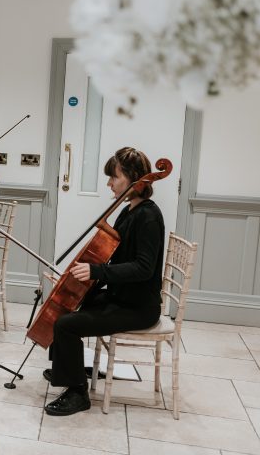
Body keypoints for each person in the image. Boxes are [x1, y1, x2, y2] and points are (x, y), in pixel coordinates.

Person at [44, 147, 165, 416]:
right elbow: (113, 257)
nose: (109, 183)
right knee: (67, 303)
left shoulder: (148, 217)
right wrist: (73, 283)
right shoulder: (128, 211)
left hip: (138, 307)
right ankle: (67, 367)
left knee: (66, 325)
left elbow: (143, 268)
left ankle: (78, 393)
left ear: (135, 179)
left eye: (114, 177)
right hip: (121, 296)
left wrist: (96, 272)